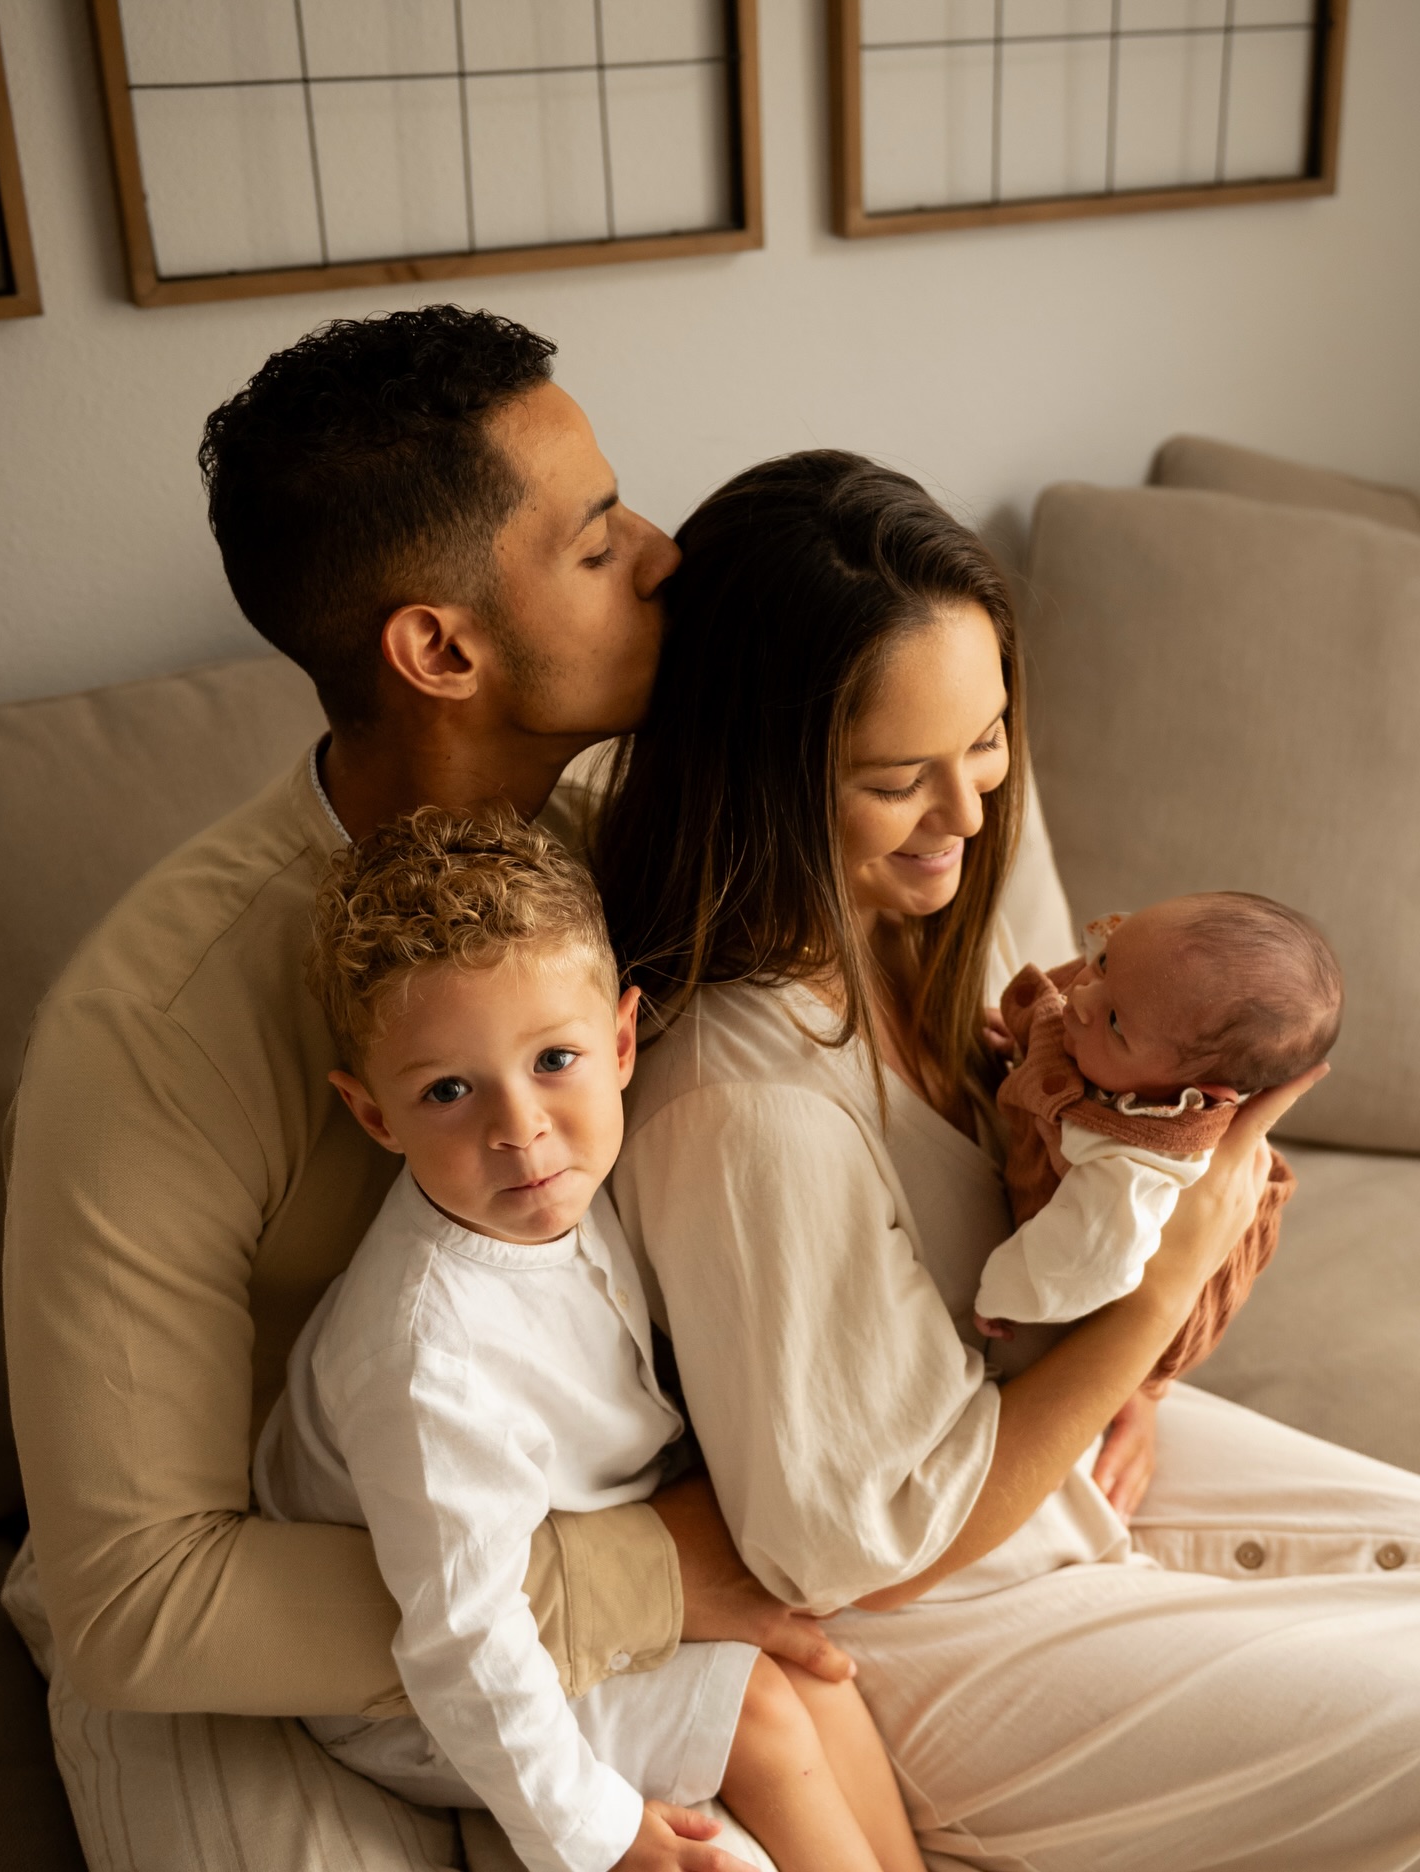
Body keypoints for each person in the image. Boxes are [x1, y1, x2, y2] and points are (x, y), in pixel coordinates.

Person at [2, 309, 849, 1872]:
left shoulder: (620, 844)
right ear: (440, 647)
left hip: (574, 1519)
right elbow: (141, 1600)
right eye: (597, 543)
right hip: (246, 1649)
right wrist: (647, 1573)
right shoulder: (152, 1031)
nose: (662, 555)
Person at [597, 449, 1420, 1866]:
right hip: (934, 1620)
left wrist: (1115, 1369)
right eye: (896, 779)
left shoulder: (887, 941)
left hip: (1031, 1469)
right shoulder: (745, 1111)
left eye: (985, 744)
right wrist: (1152, 1308)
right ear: (764, 771)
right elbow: (850, 1546)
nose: (971, 816)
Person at [256, 805, 925, 1872]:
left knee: (816, 1682)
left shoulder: (582, 1184)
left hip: (582, 1594)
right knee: (761, 1709)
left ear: (621, 1043)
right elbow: (463, 1645)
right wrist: (597, 1835)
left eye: (554, 1060)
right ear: (374, 1115)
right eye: (447, 1091)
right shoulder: (427, 1354)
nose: (518, 1129)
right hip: (425, 1696)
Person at [971, 891, 1341, 1385]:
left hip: (1164, 1294)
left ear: (1193, 1092)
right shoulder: (1132, 999)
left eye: (1117, 1023)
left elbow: (1089, 1258)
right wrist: (1023, 1040)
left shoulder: (1131, 1161)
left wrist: (1004, 1295)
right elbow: (1090, 999)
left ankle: (1144, 1392)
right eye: (1103, 961)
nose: (1080, 997)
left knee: (1134, 1356)